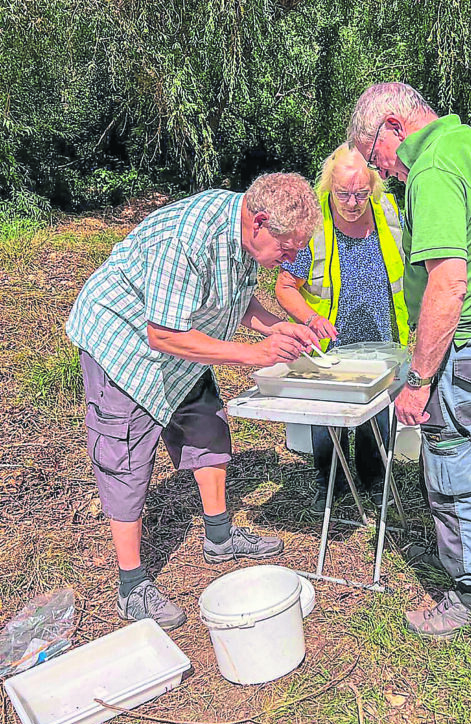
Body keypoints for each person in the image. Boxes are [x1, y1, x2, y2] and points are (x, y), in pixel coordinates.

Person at [66, 173, 321, 630]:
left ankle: (220, 538)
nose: (292, 258)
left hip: (186, 345)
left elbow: (236, 301)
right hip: (125, 348)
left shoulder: (244, 234)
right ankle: (132, 588)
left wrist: (273, 328)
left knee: (207, 430)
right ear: (260, 222)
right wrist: (253, 354)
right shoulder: (187, 239)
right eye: (287, 249)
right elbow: (162, 333)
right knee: (124, 462)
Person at [348, 83, 471, 639]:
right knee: (465, 452)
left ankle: (468, 597)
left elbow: (449, 283)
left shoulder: (433, 168)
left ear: (394, 126)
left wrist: (420, 378)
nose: (387, 172)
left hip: (465, 340)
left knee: (455, 462)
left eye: (379, 157)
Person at [275, 143, 408, 515]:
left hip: (382, 339)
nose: (352, 202)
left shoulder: (388, 213)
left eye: (361, 193)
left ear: (374, 188)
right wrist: (310, 319)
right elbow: (285, 288)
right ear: (328, 187)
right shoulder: (313, 224)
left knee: (377, 416)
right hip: (329, 348)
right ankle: (329, 482)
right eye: (343, 194)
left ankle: (374, 478)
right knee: (327, 421)